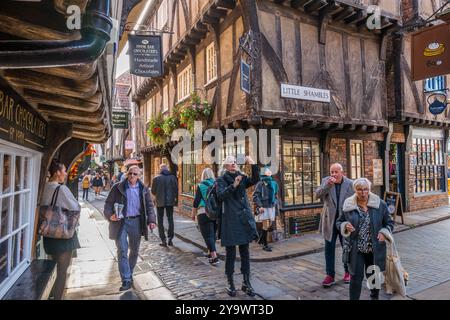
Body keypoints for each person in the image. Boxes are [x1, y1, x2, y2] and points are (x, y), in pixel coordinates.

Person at [336, 178, 394, 300]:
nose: (363, 193)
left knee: (373, 276)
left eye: (366, 189)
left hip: (375, 248)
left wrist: (384, 232)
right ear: (355, 190)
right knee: (355, 277)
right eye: (360, 190)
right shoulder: (348, 205)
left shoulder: (380, 204)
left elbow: (389, 223)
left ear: (369, 189)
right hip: (355, 248)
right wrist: (345, 225)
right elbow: (339, 222)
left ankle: (374, 297)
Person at [104, 165, 157, 291]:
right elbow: (108, 203)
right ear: (127, 174)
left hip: (137, 222)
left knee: (134, 251)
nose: (132, 176)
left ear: (139, 176)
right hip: (121, 222)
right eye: (130, 173)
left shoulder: (143, 189)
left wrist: (151, 220)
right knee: (122, 250)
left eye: (135, 174)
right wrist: (109, 215)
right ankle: (126, 280)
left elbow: (149, 206)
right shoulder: (118, 187)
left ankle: (129, 273)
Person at [217, 155, 259, 297]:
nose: (233, 163)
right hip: (230, 220)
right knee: (231, 254)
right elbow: (220, 196)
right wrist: (233, 185)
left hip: (243, 219)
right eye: (230, 162)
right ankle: (230, 282)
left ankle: (246, 282)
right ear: (226, 166)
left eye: (234, 161)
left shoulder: (242, 177)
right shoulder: (221, 179)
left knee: (245, 253)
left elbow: (255, 179)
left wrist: (252, 163)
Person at [40, 161, 81, 300]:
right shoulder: (61, 189)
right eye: (64, 170)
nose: (65, 173)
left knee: (54, 268)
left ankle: (52, 294)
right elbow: (75, 207)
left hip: (48, 233)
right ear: (57, 172)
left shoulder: (44, 187)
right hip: (62, 235)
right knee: (62, 271)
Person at [315, 163, 354, 287]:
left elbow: (355, 200)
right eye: (332, 172)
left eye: (336, 172)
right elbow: (317, 194)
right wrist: (327, 186)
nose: (333, 174)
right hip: (330, 220)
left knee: (346, 247)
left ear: (342, 172)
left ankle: (348, 272)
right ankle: (329, 275)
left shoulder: (350, 183)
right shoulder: (326, 181)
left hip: (344, 220)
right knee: (329, 249)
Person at [192, 168, 219, 266]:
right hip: (215, 213)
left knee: (207, 236)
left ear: (203, 176)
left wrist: (193, 214)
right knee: (212, 234)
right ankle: (209, 253)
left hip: (203, 212)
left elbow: (196, 201)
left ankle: (214, 257)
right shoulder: (217, 184)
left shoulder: (201, 185)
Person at [151, 164, 178, 247]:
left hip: (160, 202)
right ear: (167, 169)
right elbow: (176, 189)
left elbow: (153, 191)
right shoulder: (173, 177)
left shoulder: (156, 178)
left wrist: (158, 194)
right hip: (170, 201)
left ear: (160, 169)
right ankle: (170, 239)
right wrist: (174, 197)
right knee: (170, 219)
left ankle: (163, 240)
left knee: (160, 220)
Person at [252, 166, 279, 252]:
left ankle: (261, 239)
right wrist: (260, 206)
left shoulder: (273, 182)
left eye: (270, 170)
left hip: (271, 206)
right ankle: (265, 244)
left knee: (270, 224)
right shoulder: (260, 183)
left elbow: (275, 194)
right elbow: (255, 196)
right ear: (264, 173)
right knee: (265, 225)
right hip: (264, 207)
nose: (269, 172)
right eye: (267, 171)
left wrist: (275, 201)